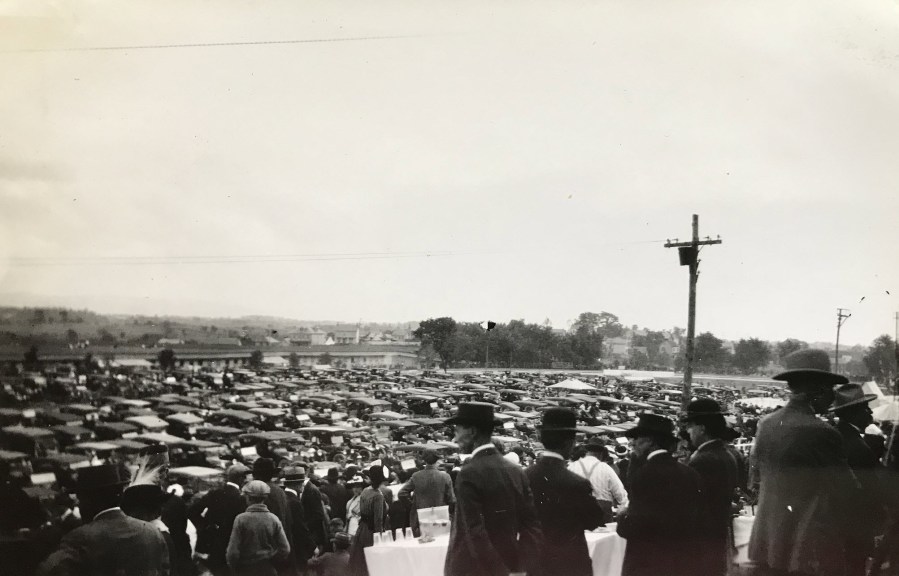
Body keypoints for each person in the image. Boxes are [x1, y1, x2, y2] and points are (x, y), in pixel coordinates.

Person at [748, 349, 860, 576]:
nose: (832, 396)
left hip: (767, 539)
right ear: (818, 390)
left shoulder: (766, 424)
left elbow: (755, 477)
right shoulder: (822, 431)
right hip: (807, 546)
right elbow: (847, 488)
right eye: (831, 389)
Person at [443, 402, 542, 576]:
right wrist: (522, 566)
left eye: (457, 431)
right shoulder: (515, 470)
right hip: (512, 564)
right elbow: (532, 524)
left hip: (475, 568)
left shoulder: (469, 472)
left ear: (472, 432)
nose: (455, 438)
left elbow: (474, 530)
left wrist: (499, 571)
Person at [38, 464, 170, 576]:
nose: (78, 504)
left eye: (80, 498)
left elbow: (47, 570)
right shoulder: (152, 532)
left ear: (90, 500)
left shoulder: (80, 538)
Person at [616, 413, 704, 576]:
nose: (633, 443)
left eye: (637, 438)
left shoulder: (643, 474)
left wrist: (622, 517)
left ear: (650, 441)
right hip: (681, 560)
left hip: (647, 561)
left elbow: (636, 524)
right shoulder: (689, 472)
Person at [526, 408, 605, 576]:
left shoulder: (524, 476)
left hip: (536, 561)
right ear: (569, 443)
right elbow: (595, 520)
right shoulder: (577, 483)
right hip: (571, 563)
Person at [829, 383, 886, 576]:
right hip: (856, 524)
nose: (870, 412)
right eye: (865, 408)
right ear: (854, 413)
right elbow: (872, 490)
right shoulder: (858, 446)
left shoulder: (835, 436)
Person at [681, 398, 739, 576]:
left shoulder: (703, 459)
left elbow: (691, 503)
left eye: (690, 426)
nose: (688, 432)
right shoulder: (725, 453)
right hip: (717, 533)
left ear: (702, 428)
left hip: (701, 539)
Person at [191, 463, 250, 576]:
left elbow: (193, 512)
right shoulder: (241, 498)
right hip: (233, 544)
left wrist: (207, 526)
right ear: (240, 479)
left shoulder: (215, 493)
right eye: (244, 477)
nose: (245, 480)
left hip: (214, 544)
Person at [226, 480, 291, 576]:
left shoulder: (241, 519)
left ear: (248, 498)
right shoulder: (273, 519)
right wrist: (272, 560)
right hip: (268, 569)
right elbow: (285, 549)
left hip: (246, 569)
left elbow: (233, 552)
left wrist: (233, 567)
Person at [398, 450, 455, 537]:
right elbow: (452, 499)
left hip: (421, 517)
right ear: (437, 460)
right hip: (441, 517)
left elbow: (402, 493)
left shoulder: (416, 476)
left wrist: (413, 505)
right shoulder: (445, 476)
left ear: (424, 460)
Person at [568, 437, 629, 518]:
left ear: (586, 452)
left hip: (576, 511)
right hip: (602, 511)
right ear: (601, 454)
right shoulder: (605, 467)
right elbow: (620, 493)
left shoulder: (572, 466)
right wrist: (624, 507)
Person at [347, 464, 389, 576]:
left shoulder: (365, 490)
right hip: (372, 532)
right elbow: (378, 520)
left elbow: (361, 511)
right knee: (372, 563)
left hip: (362, 529)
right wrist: (379, 540)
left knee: (361, 560)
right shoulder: (378, 496)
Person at [283, 465, 318, 575]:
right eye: (302, 482)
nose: (303, 484)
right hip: (297, 549)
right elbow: (300, 528)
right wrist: (312, 547)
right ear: (296, 484)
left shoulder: (283, 496)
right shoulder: (295, 502)